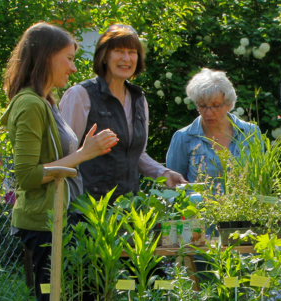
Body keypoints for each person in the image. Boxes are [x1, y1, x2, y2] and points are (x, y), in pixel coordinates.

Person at [0, 22, 118, 301]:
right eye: (68, 58)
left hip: (58, 218)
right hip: (41, 224)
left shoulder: (47, 102)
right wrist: (83, 154)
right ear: (46, 57)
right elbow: (25, 176)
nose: (73, 66)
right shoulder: (29, 104)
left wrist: (84, 150)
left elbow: (51, 160)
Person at [59, 24, 186, 203]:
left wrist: (164, 173)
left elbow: (137, 154)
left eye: (132, 52)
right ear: (104, 56)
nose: (126, 58)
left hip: (127, 207)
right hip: (88, 209)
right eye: (118, 50)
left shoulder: (139, 99)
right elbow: (65, 156)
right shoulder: (81, 95)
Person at [165, 68, 262, 183]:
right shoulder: (183, 137)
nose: (208, 112)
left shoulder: (250, 132)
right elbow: (173, 187)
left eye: (216, 106)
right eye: (202, 106)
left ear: (229, 104)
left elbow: (260, 180)